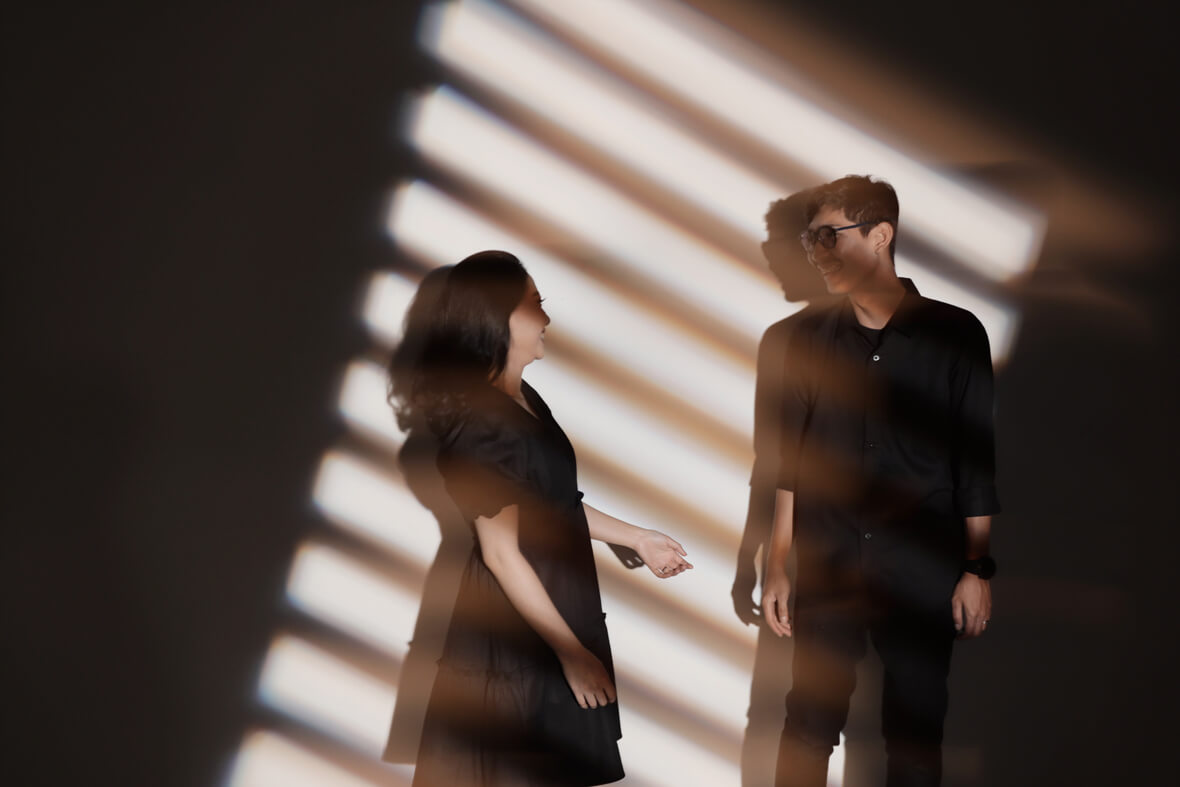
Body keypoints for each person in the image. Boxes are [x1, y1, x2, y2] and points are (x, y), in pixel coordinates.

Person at [390, 250, 692, 787]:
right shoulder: (483, 424)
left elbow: (553, 504)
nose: (547, 317)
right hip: (517, 640)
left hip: (553, 613)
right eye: (535, 303)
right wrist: (570, 653)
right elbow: (500, 553)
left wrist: (637, 538)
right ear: (497, 317)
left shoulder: (524, 400)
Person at [760, 176, 1000, 787]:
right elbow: (791, 461)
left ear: (880, 235)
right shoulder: (804, 340)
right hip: (829, 564)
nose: (816, 254)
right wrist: (778, 562)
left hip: (921, 570)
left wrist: (976, 569)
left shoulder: (957, 334)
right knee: (808, 724)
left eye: (828, 236)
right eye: (809, 241)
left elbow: (974, 462)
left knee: (915, 737)